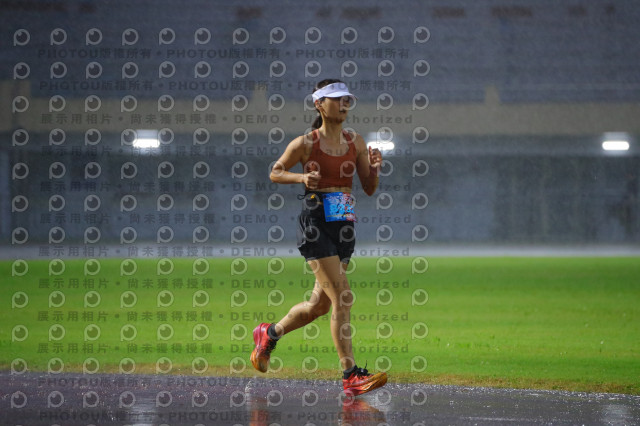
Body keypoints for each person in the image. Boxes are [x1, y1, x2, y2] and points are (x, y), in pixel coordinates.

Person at [250, 79, 387, 396]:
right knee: (343, 297)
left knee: (319, 306)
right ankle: (350, 375)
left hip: (344, 223)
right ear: (319, 104)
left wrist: (375, 170)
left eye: (347, 99)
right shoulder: (306, 143)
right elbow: (275, 171)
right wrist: (301, 177)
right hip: (315, 223)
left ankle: (269, 333)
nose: (344, 104)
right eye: (337, 99)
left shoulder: (356, 142)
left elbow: (368, 187)